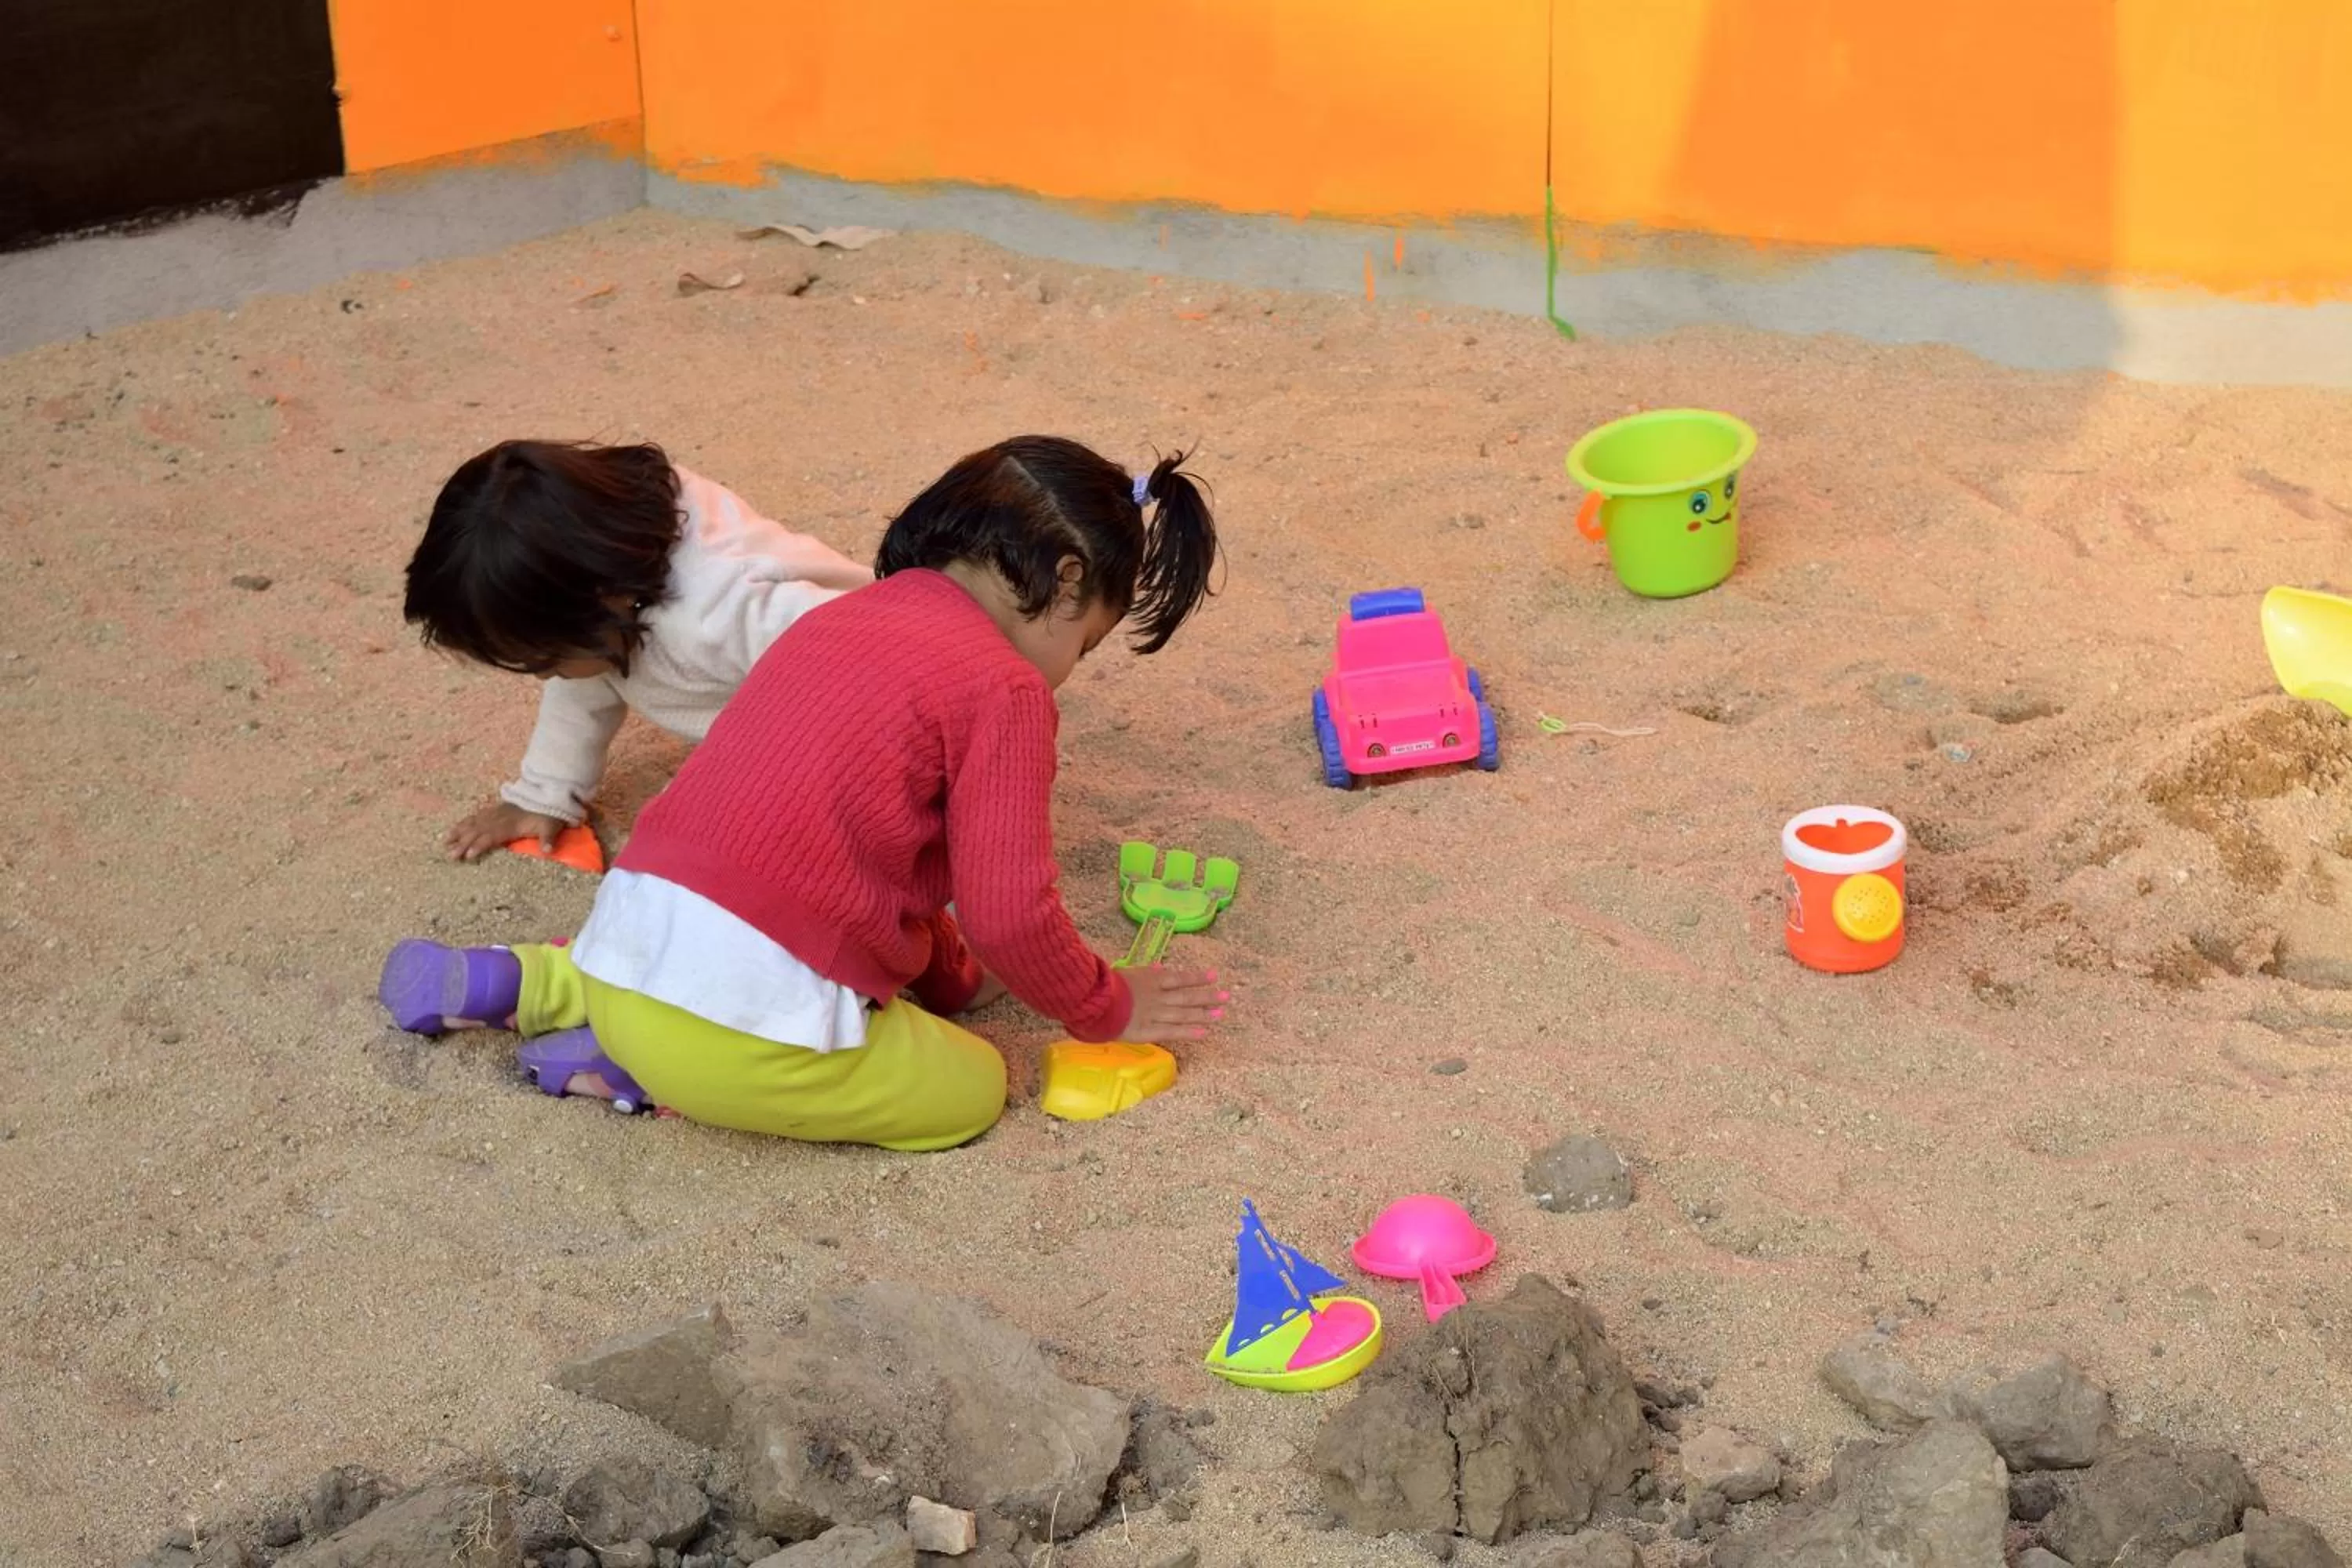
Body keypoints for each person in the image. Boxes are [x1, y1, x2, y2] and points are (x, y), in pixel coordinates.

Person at [378, 436, 1228, 1150]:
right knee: (970, 1086)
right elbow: (1007, 911)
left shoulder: (831, 619)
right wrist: (1102, 1004)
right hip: (718, 1032)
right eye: (1083, 642)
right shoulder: (1004, 689)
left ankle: (535, 985)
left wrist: (948, 973)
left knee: (699, 950)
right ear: (1068, 581)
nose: (1067, 671)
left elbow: (846, 834)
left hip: (625, 929)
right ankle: (648, 1071)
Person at [402, 439, 875, 860]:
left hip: (859, 718)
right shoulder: (608, 568)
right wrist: (542, 793)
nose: (546, 678)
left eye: (544, 661)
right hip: (771, 706)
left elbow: (875, 674)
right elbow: (587, 676)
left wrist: (721, 796)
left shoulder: (725, 610)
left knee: (699, 845)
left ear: (607, 598)